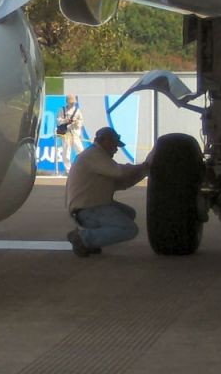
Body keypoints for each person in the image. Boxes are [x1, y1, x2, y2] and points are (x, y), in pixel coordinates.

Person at [65, 126, 151, 257]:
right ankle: (83, 238)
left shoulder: (97, 157)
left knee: (128, 213)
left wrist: (143, 172)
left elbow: (122, 183)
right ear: (104, 141)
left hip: (88, 208)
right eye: (114, 144)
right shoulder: (93, 155)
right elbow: (119, 172)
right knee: (129, 229)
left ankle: (90, 238)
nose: (116, 149)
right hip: (88, 209)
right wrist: (143, 166)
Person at [55, 94, 84, 172]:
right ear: (67, 102)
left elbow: (81, 122)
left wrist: (76, 123)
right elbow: (58, 121)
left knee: (80, 150)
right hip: (66, 133)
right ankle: (69, 170)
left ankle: (82, 168)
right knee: (66, 152)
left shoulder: (77, 111)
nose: (72, 103)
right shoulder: (62, 110)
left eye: (73, 102)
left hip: (75, 133)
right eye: (70, 102)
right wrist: (65, 120)